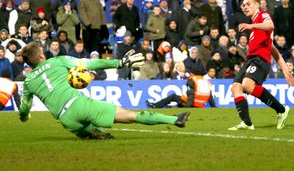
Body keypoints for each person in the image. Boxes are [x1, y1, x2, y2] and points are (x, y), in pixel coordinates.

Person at [18, 43, 190, 139]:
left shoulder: (28, 82)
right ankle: (175, 119)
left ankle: (94, 133)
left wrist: (24, 117)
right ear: (41, 56)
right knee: (130, 116)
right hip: (80, 105)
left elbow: (25, 107)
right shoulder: (58, 61)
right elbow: (92, 64)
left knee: (94, 132)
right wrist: (120, 63)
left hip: (66, 120)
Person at [228, 0, 294, 131]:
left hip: (260, 60)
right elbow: (273, 50)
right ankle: (247, 123)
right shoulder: (256, 29)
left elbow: (270, 24)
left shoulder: (262, 16)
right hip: (251, 60)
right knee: (236, 87)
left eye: (248, 4)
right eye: (243, 5)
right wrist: (285, 70)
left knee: (247, 85)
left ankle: (281, 110)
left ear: (257, 5)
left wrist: (250, 25)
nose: (245, 7)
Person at [146, 75, 211, 108]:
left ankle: (156, 106)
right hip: (198, 105)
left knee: (173, 97)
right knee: (176, 98)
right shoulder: (204, 85)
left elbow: (189, 101)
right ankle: (159, 105)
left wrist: (183, 105)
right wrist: (214, 106)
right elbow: (210, 97)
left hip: (192, 105)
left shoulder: (191, 86)